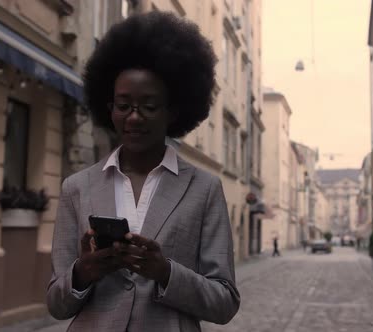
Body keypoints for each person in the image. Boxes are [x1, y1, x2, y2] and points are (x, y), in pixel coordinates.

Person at [46, 12, 240, 331]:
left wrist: (165, 272)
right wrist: (83, 272)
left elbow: (225, 302)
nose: (134, 117)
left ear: (173, 111)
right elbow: (56, 303)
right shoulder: (77, 187)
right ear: (109, 109)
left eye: (149, 106)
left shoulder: (204, 189)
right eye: (123, 105)